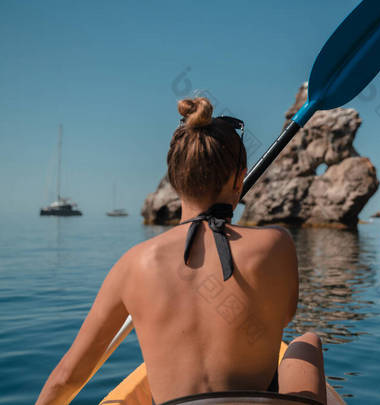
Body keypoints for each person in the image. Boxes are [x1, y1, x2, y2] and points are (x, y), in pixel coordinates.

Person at [35, 97, 327, 405]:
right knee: (307, 342)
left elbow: (66, 376)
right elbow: (284, 314)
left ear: (175, 181)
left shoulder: (134, 263)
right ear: (241, 177)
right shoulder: (276, 244)